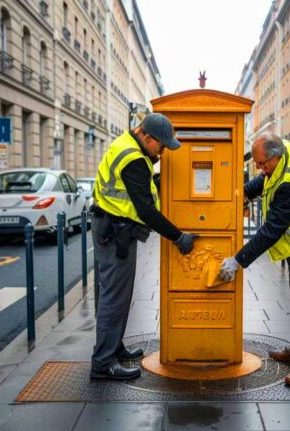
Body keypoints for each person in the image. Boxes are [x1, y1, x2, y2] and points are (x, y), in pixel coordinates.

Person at [218, 131, 290, 388]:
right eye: (257, 162)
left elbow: (271, 230)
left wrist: (238, 261)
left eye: (261, 163)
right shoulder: (280, 154)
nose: (259, 168)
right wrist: (241, 196)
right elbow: (263, 181)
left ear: (276, 156)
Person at [90, 113, 197, 380]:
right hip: (115, 232)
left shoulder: (127, 144)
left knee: (118, 295)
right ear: (147, 137)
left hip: (112, 227)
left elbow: (139, 189)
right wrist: (178, 237)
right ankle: (103, 363)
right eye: (160, 145)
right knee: (114, 299)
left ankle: (114, 347)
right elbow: (146, 210)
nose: (162, 151)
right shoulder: (134, 159)